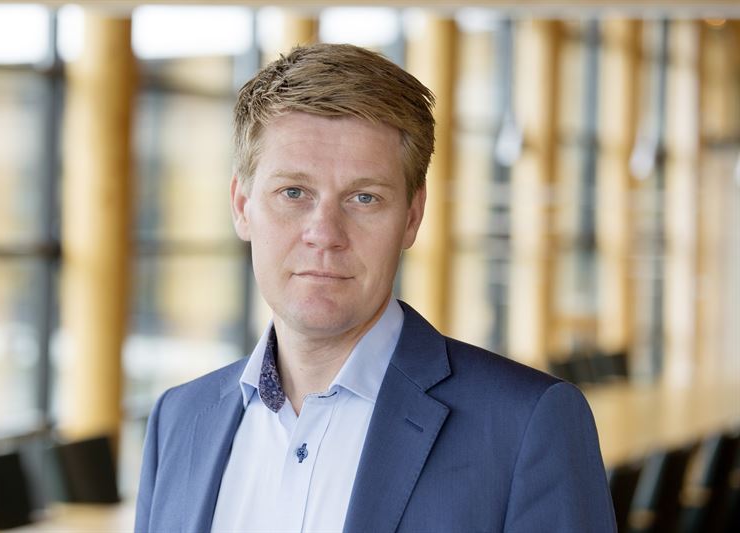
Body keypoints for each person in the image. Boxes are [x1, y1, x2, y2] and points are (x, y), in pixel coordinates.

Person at [135, 43, 617, 533]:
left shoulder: (526, 426)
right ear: (242, 206)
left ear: (412, 217)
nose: (325, 233)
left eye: (364, 198)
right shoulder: (178, 421)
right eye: (293, 192)